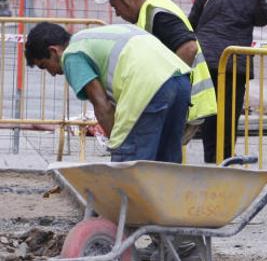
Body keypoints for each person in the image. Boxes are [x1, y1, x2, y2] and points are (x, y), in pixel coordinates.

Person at [25, 22, 192, 163]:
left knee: (131, 165)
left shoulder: (72, 55)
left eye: (44, 66)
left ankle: (132, 202)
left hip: (149, 87)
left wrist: (117, 145)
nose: (52, 73)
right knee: (167, 163)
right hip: (180, 79)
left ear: (54, 51)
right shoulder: (90, 37)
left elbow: (102, 105)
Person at [94, 0, 217, 145]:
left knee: (157, 158)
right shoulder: (152, 9)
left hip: (185, 104)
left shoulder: (157, 14)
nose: (117, 13)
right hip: (183, 103)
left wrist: (167, 88)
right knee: (160, 160)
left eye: (115, 6)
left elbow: (189, 48)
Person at [189, 0, 267, 163]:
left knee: (210, 108)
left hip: (206, 58)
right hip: (234, 62)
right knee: (230, 111)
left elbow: (193, 18)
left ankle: (210, 155)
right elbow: (265, 18)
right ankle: (225, 156)